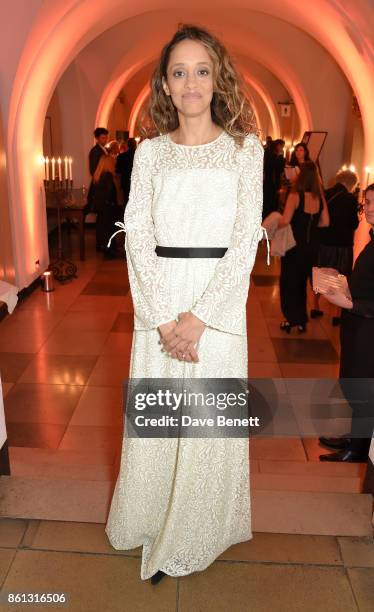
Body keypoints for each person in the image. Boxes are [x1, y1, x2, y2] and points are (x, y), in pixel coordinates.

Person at [104, 24, 265, 584]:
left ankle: (197, 530)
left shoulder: (247, 151)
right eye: (179, 72)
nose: (191, 82)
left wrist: (200, 319)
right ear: (165, 87)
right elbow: (139, 237)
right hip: (160, 305)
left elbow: (246, 239)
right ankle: (149, 515)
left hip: (217, 311)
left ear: (217, 77)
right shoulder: (148, 154)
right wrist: (166, 319)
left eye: (201, 70)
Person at [319, 183, 374, 462]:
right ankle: (354, 438)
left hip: (368, 328)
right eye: (367, 202)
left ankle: (359, 449)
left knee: (363, 388)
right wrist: (341, 282)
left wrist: (352, 303)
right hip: (357, 325)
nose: (370, 209)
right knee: (353, 382)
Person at [278, 160, 329, 333]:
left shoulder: (295, 196)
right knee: (302, 285)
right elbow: (325, 222)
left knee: (289, 284)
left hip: (294, 248)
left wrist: (275, 221)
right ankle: (301, 321)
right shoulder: (320, 197)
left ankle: (292, 319)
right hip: (312, 249)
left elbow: (284, 221)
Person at [312, 169, 359, 323]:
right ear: (351, 183)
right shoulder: (350, 199)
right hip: (342, 244)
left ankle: (315, 306)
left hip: (324, 242)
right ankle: (337, 314)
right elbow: (353, 224)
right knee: (341, 276)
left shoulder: (325, 194)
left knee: (323, 273)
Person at [92, 155, 120, 258]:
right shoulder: (108, 176)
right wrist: (114, 204)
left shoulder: (98, 175)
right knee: (109, 229)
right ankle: (109, 251)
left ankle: (103, 247)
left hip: (101, 207)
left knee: (102, 228)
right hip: (108, 207)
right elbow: (109, 193)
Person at [85, 127, 109, 231]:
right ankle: (101, 243)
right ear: (97, 139)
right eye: (103, 138)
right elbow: (93, 171)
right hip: (100, 187)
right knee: (101, 216)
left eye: (106, 137)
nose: (105, 140)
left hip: (105, 186)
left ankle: (103, 242)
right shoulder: (95, 151)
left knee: (104, 216)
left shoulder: (104, 150)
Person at [115, 137, 137, 204]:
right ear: (136, 145)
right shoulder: (140, 155)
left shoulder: (121, 156)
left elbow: (118, 171)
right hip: (137, 182)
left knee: (126, 201)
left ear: (127, 145)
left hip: (125, 182)